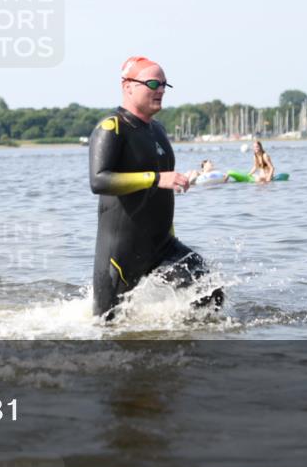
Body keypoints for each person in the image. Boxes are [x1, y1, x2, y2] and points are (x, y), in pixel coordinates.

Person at [88, 56, 223, 318]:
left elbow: (161, 191)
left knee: (210, 291)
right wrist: (156, 178)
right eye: (152, 83)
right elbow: (99, 180)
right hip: (119, 255)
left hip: (162, 247)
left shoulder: (157, 131)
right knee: (108, 328)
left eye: (164, 84)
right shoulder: (112, 128)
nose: (160, 89)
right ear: (127, 86)